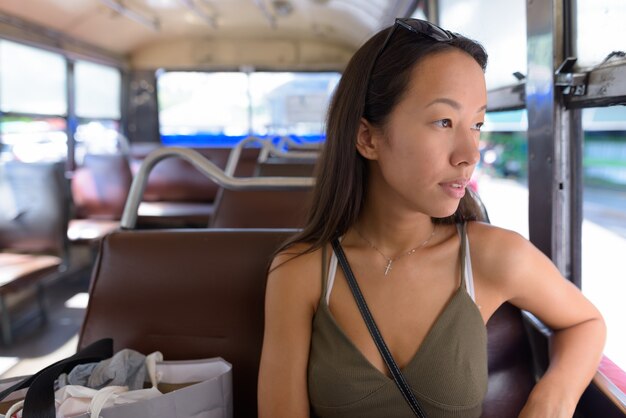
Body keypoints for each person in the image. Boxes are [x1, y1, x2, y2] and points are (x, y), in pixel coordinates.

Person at [258, 18, 606, 418]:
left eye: (476, 124)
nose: (470, 154)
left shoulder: (493, 255)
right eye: (444, 121)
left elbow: (585, 322)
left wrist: (549, 402)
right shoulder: (299, 272)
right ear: (368, 138)